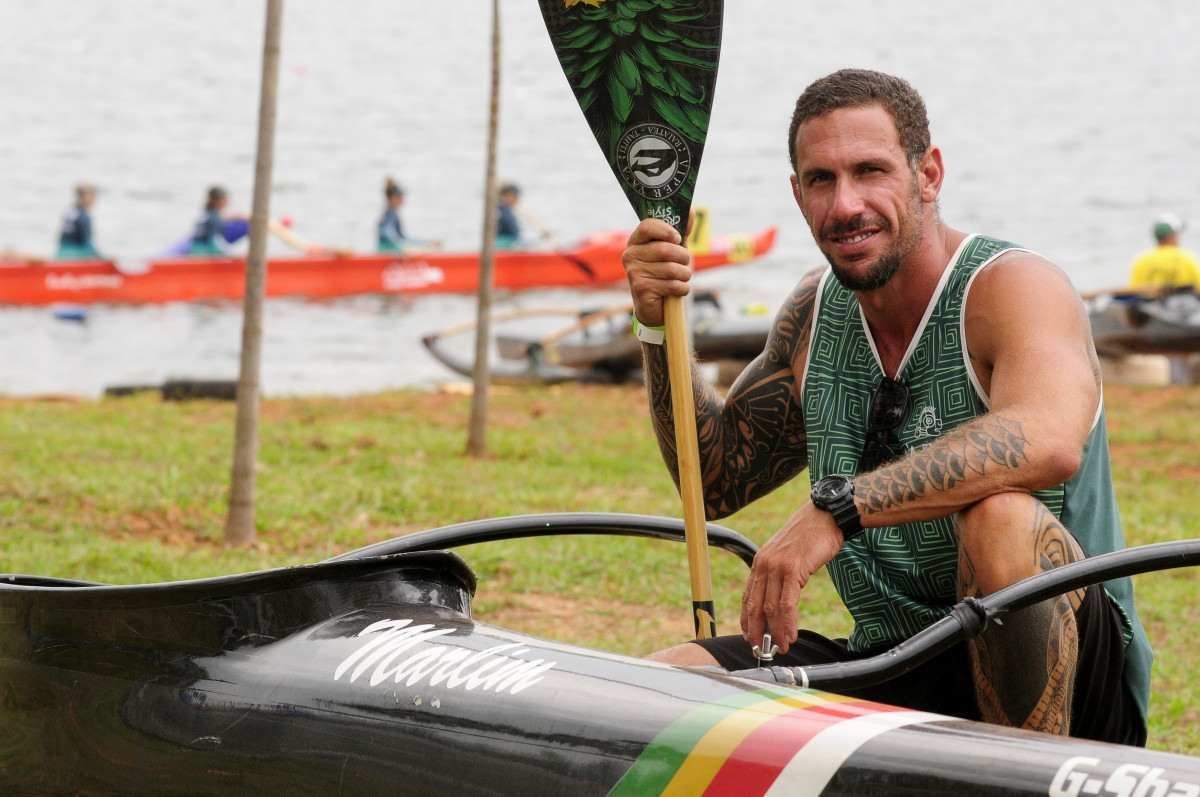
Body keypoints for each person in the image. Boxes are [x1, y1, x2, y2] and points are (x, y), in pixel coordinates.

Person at [621, 68, 1151, 746]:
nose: (846, 205)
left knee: (1002, 519)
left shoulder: (1012, 287)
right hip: (895, 662)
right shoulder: (815, 315)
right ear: (797, 192)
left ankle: (1023, 777)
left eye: (870, 171)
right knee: (661, 686)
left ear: (927, 173)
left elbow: (1048, 438)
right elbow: (717, 476)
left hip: (1075, 689)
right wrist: (657, 325)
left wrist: (838, 508)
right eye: (821, 179)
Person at [1128, 213, 1199, 290]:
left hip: (1150, 301)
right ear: (1172, 235)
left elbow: (1134, 290)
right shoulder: (1185, 259)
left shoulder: (1142, 261)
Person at [378, 178, 440, 252]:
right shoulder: (390, 215)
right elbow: (386, 232)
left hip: (390, 252)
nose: (402, 199)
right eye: (400, 197)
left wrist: (426, 243)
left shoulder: (391, 214)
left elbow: (403, 238)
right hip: (387, 255)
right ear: (393, 198)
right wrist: (402, 247)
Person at [495, 182, 553, 249]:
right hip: (505, 245)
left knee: (536, 242)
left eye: (517, 196)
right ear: (505, 197)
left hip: (511, 243)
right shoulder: (502, 212)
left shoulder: (506, 211)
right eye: (514, 196)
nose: (517, 199)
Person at [56, 184, 101, 259]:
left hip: (60, 253)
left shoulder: (69, 212)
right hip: (76, 255)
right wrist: (103, 258)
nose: (94, 199)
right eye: (93, 196)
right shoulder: (84, 217)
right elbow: (86, 245)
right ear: (85, 197)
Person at [187, 186, 235, 256]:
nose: (228, 202)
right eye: (226, 199)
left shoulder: (207, 214)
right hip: (204, 252)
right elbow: (214, 241)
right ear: (219, 201)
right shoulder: (214, 218)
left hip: (194, 249)